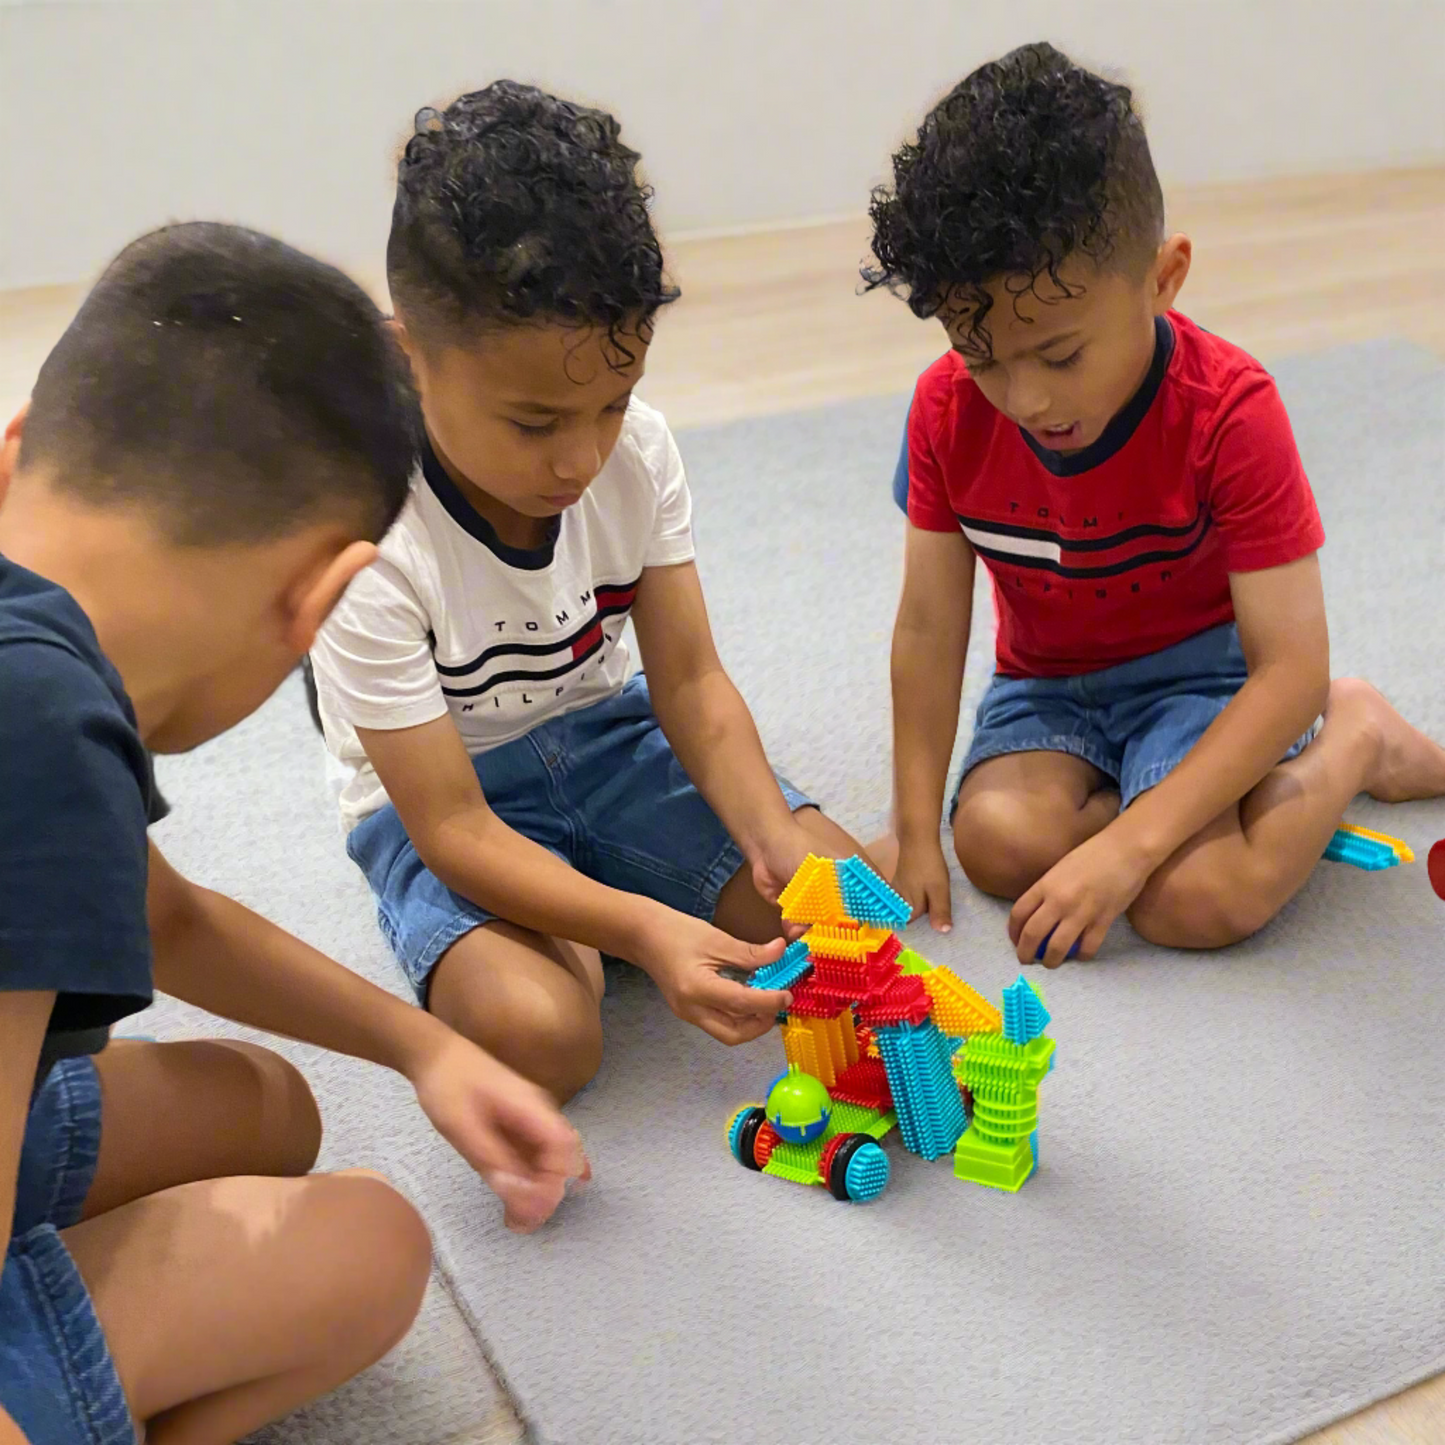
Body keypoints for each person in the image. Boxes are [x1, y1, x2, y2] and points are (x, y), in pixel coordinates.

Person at [1, 222, 585, 1445]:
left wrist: (425, 1048)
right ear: (321, 600)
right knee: (370, 1245)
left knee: (267, 1108)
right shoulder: (42, 733)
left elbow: (163, 917)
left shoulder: (35, 656)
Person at [307, 82, 869, 1102]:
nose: (579, 455)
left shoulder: (636, 453)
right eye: (532, 421)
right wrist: (641, 928)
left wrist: (764, 832)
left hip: (609, 740)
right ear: (409, 353)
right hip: (454, 797)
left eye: (609, 403)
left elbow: (690, 682)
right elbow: (451, 825)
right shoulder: (363, 523)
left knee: (843, 909)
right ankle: (589, 924)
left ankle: (603, 905)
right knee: (543, 1037)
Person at [868, 42, 1445, 966]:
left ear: (1164, 278)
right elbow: (930, 626)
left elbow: (1289, 667)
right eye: (983, 358)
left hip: (1205, 682)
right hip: (1046, 687)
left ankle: (1361, 736)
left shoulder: (1230, 410)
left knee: (1197, 902)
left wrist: (1132, 850)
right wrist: (910, 825)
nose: (1025, 401)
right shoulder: (943, 407)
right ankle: (1165, 799)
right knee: (994, 845)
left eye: (1058, 356)